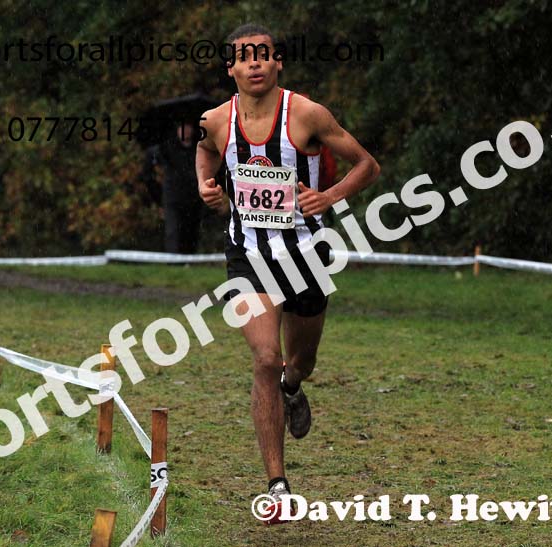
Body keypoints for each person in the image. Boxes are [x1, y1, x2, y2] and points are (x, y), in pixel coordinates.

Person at [195, 23, 380, 523]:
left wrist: (330, 196)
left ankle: (293, 386)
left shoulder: (307, 115)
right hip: (247, 254)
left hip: (306, 252)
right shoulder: (215, 120)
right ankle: (277, 484)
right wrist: (206, 187)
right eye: (243, 56)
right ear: (230, 68)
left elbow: (367, 165)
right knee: (263, 357)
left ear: (278, 63)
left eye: (263, 55)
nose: (254, 63)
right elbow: (206, 150)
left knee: (298, 361)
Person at [143, 121, 205, 253]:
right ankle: (173, 262)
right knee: (173, 232)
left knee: (191, 232)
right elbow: (150, 168)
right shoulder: (167, 149)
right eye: (182, 127)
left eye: (187, 127)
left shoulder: (199, 149)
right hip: (173, 198)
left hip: (193, 198)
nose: (185, 131)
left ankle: (189, 262)